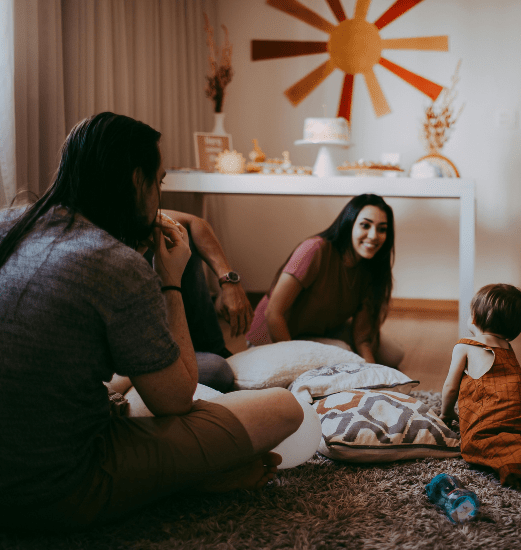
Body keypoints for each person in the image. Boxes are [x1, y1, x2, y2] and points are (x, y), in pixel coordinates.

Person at [0, 112, 304, 531]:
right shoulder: (114, 261)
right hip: (59, 487)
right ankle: (184, 482)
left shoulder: (10, 225)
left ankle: (176, 472)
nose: (159, 194)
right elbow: (175, 401)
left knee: (131, 393)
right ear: (135, 180)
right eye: (158, 182)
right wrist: (170, 281)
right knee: (284, 407)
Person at [246, 194, 404, 367]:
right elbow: (273, 314)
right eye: (365, 225)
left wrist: (374, 374)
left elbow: (362, 338)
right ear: (349, 224)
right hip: (275, 335)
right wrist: (297, 364)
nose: (374, 236)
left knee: (394, 355)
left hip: (318, 329)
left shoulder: (371, 267)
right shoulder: (314, 249)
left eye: (382, 229)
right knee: (345, 352)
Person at [440, 284, 521, 486]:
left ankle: (513, 464)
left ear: (478, 316)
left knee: (481, 439)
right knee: (512, 433)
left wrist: (446, 413)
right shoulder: (507, 347)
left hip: (496, 416)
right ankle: (518, 444)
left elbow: (450, 387)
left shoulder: (465, 346)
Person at [140, 209, 254, 392]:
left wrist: (229, 281)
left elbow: (194, 221)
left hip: (196, 346)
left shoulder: (141, 215)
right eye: (159, 183)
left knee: (178, 234)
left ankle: (212, 349)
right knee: (218, 371)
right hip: (145, 351)